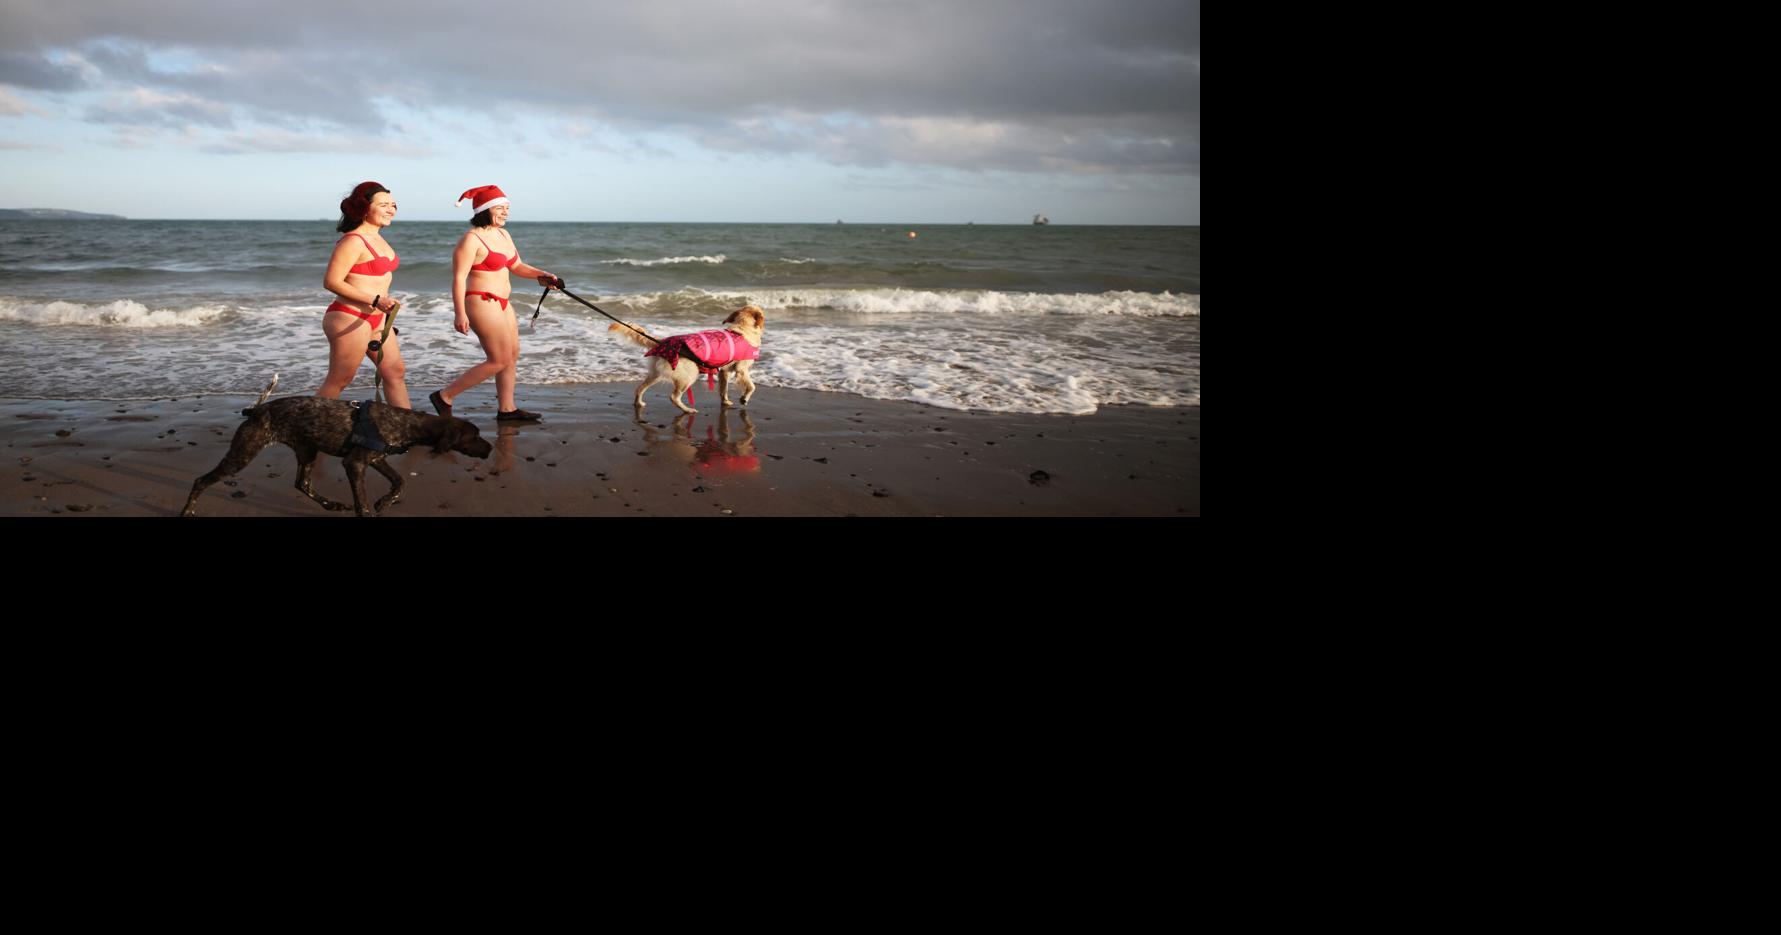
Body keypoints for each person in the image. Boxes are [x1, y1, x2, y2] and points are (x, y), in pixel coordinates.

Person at [428, 184, 560, 421]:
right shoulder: (471, 239)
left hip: (503, 303)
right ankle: (444, 395)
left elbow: (517, 266)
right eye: (501, 208)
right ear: (485, 209)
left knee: (512, 354)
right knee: (499, 359)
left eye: (507, 208)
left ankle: (507, 409)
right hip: (481, 301)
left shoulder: (503, 234)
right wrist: (459, 313)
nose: (506, 212)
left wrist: (545, 275)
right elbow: (458, 278)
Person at [319, 181, 408, 407]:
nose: (391, 209)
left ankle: (406, 426)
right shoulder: (353, 241)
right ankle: (308, 427)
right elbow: (331, 281)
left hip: (378, 319)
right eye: (384, 205)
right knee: (340, 379)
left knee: (394, 371)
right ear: (365, 208)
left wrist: (382, 304)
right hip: (350, 316)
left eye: (393, 204)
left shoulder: (378, 238)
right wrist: (376, 300)